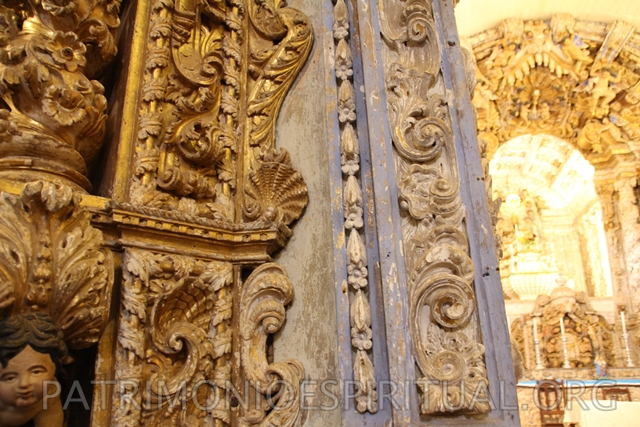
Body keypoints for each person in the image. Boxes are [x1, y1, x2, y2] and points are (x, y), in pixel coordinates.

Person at [0, 313, 71, 427]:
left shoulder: (49, 393)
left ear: (54, 367)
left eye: (36, 372)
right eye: (10, 378)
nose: (24, 384)